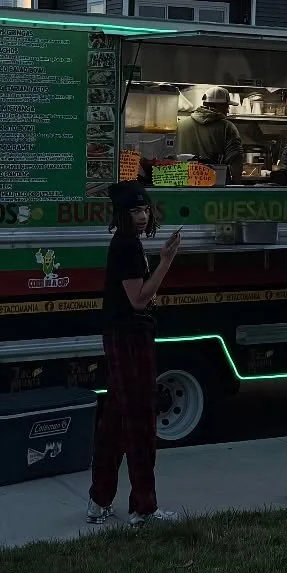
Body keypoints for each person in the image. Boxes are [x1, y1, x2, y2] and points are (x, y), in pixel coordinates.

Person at [88, 181, 183, 526]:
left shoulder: (129, 243)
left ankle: (99, 500)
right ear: (121, 215)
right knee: (141, 420)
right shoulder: (126, 246)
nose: (142, 216)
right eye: (135, 211)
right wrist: (166, 261)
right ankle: (143, 508)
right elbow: (139, 299)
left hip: (123, 333)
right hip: (129, 337)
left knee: (115, 420)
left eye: (145, 209)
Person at [178, 88, 245, 181]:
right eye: (226, 106)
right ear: (217, 105)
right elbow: (235, 160)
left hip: (182, 181)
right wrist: (235, 184)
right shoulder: (227, 127)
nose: (228, 110)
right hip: (214, 183)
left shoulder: (180, 125)